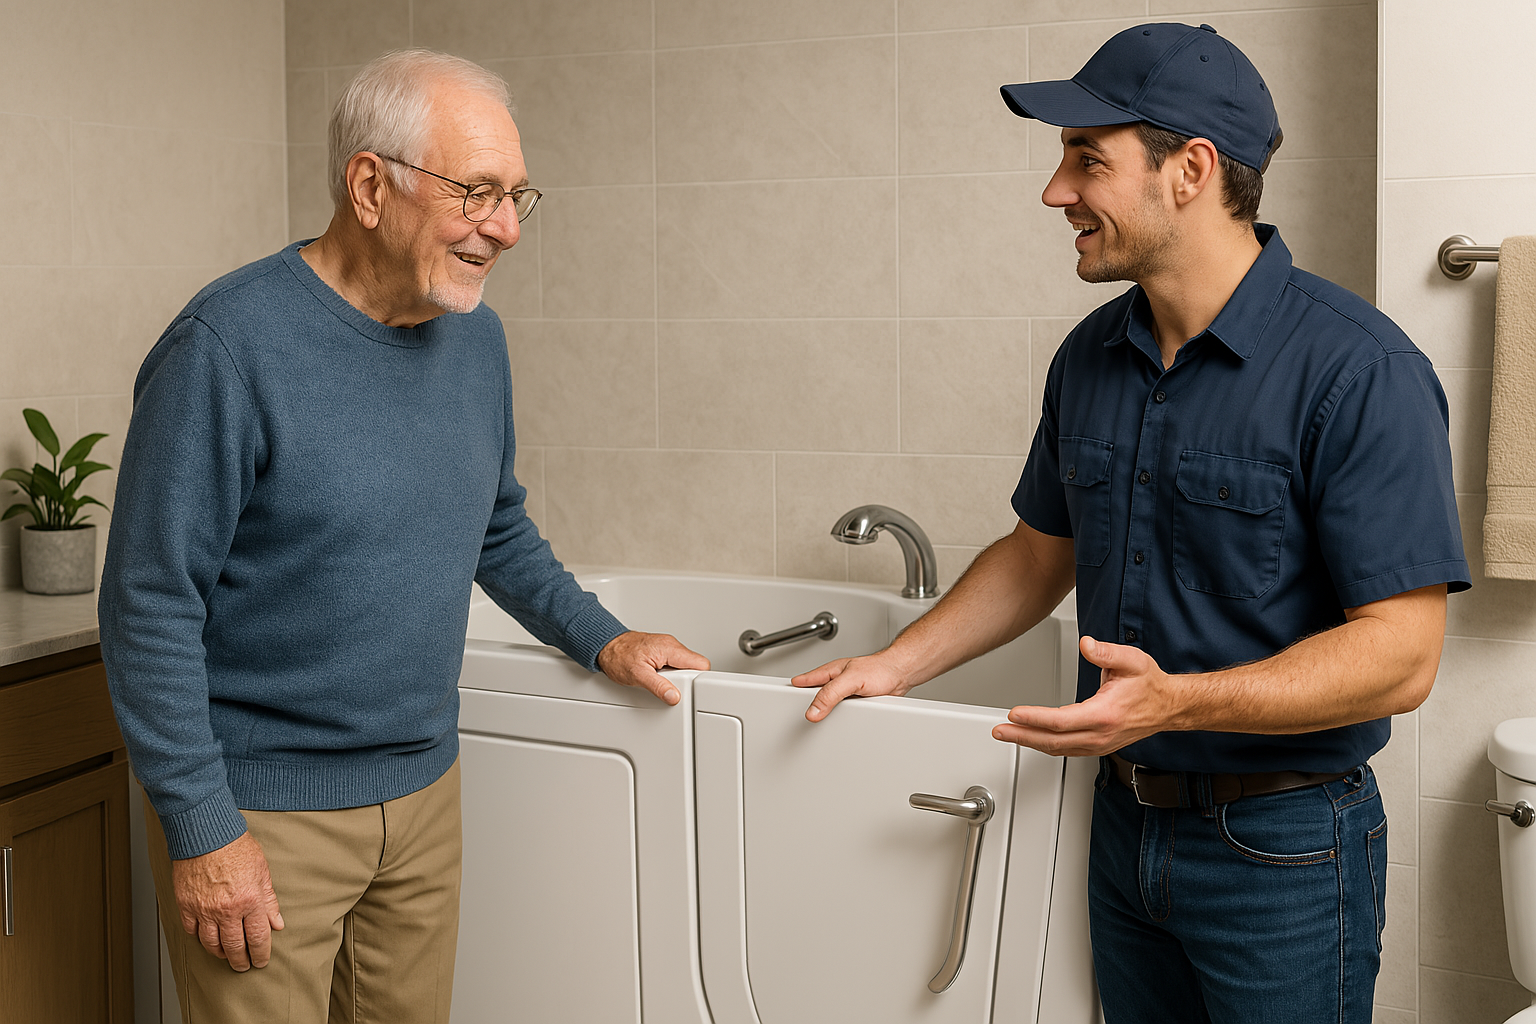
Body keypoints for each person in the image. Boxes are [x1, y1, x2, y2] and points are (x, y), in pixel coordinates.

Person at [792, 23, 1467, 1024]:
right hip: (1122, 827)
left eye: (1087, 159)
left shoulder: (1359, 372)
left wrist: (1177, 703)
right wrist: (898, 662)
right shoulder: (1090, 357)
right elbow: (1037, 553)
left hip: (1279, 849)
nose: (1055, 191)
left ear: (1189, 170)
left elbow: (1402, 657)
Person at [98, 48, 708, 1023]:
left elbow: (493, 525)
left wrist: (605, 635)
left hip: (424, 795)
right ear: (371, 185)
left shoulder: (475, 338)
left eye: (516, 196)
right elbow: (147, 605)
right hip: (265, 812)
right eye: (476, 192)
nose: (505, 228)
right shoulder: (225, 348)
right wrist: (205, 830)